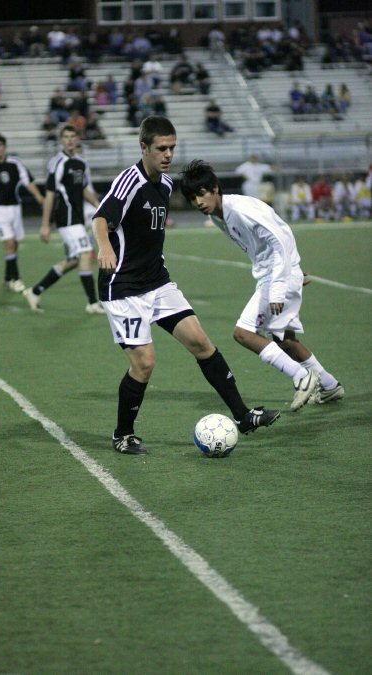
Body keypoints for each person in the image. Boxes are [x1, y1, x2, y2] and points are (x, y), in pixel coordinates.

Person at [91, 116, 280, 455]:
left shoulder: (164, 185)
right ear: (144, 147)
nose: (167, 154)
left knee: (201, 342)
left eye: (172, 148)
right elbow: (102, 217)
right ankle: (123, 434)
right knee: (144, 363)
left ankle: (242, 417)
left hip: (156, 281)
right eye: (161, 148)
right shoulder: (128, 181)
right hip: (124, 287)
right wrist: (104, 246)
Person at [180, 159, 344, 412]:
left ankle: (301, 377)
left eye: (201, 194)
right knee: (285, 340)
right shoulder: (218, 216)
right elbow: (275, 240)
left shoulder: (241, 210)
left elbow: (279, 239)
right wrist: (293, 272)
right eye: (192, 198)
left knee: (243, 333)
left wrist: (281, 284)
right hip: (280, 273)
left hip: (275, 278)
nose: (198, 202)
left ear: (215, 188)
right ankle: (329, 385)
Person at [23, 124, 103, 315]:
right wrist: (45, 225)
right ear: (61, 140)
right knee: (85, 253)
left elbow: (84, 189)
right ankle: (92, 302)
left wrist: (100, 206)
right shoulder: (57, 163)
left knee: (75, 260)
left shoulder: (81, 163)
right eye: (65, 137)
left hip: (76, 217)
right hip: (65, 217)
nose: (69, 140)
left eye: (72, 136)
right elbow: (50, 194)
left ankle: (35, 291)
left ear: (77, 139)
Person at [0, 133, 44, 292]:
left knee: (14, 244)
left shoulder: (15, 164)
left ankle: (7, 278)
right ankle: (16, 279)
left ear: (5, 147)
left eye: (0, 145)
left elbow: (27, 181)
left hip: (15, 209)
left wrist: (38, 197)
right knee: (9, 243)